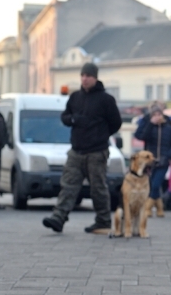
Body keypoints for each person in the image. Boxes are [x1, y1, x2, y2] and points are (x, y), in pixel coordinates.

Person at [42, 63, 122, 234]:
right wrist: (73, 119)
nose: (85, 79)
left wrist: (100, 134)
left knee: (98, 188)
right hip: (76, 150)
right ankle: (58, 217)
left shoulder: (106, 100)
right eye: (82, 75)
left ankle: (103, 221)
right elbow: (65, 116)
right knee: (68, 185)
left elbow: (116, 123)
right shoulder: (75, 97)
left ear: (95, 78)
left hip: (97, 152)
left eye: (88, 76)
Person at [135, 107, 171, 217]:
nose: (157, 117)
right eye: (155, 115)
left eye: (159, 115)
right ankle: (160, 208)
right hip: (150, 161)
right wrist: (150, 124)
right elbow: (141, 136)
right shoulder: (149, 127)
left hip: (163, 161)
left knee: (155, 184)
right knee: (151, 185)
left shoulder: (169, 129)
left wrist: (169, 155)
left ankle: (147, 208)